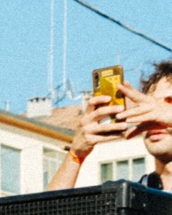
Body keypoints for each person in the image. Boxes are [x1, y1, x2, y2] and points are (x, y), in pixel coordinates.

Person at [47, 60, 172, 192]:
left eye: (169, 102)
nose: (155, 115)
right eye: (149, 104)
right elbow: (50, 205)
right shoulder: (132, 196)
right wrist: (75, 155)